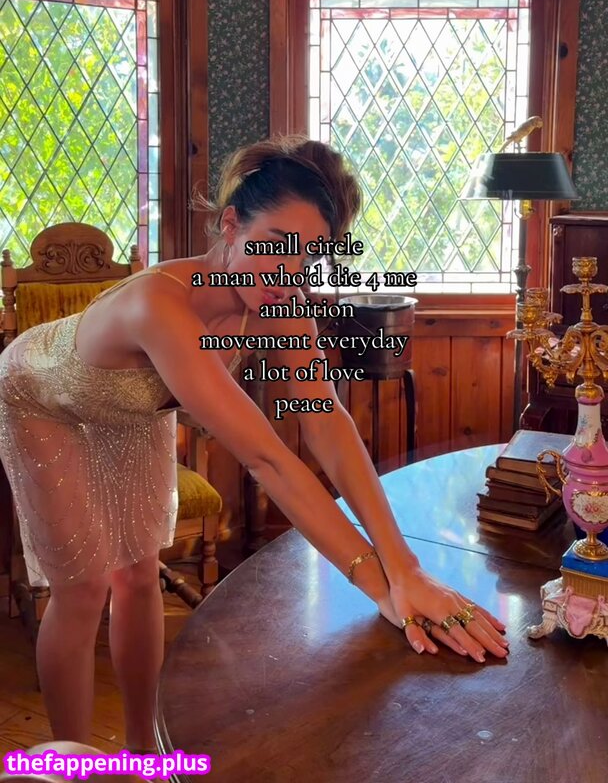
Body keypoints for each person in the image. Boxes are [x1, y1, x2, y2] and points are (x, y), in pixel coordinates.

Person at [0, 135, 508, 749]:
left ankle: (142, 756)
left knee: (137, 575)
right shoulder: (158, 303)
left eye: (307, 259)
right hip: (43, 399)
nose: (288, 275)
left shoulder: (282, 301)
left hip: (134, 409)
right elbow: (268, 457)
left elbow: (326, 423)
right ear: (231, 224)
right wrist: (383, 590)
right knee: (83, 590)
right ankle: (70, 764)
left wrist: (407, 568)